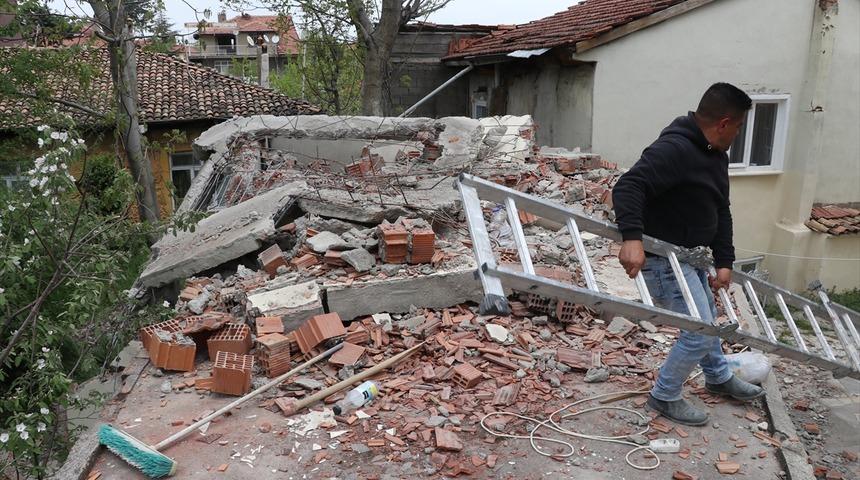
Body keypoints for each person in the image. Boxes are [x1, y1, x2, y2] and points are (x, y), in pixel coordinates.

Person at [611, 82, 764, 426]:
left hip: (691, 258)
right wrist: (632, 237)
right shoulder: (676, 149)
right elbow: (629, 186)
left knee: (707, 320)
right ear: (724, 123)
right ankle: (663, 396)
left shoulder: (714, 154)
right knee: (698, 332)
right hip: (664, 261)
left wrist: (725, 261)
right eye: (739, 127)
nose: (738, 135)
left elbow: (720, 208)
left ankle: (718, 377)